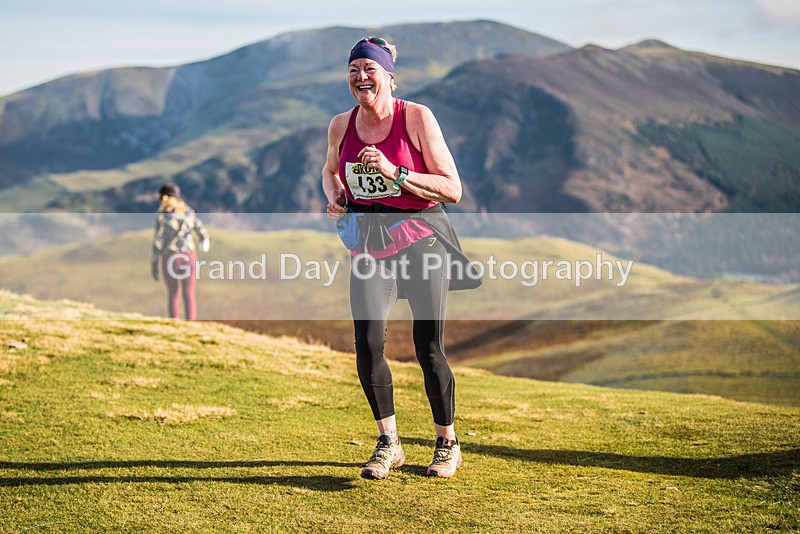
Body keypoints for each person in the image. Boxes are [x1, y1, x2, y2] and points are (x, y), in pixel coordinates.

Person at [322, 37, 480, 479]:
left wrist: (396, 173)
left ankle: (447, 442)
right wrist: (335, 197)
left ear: (389, 76)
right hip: (369, 245)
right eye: (353, 70)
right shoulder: (340, 124)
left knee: (428, 348)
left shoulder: (416, 118)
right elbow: (329, 170)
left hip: (421, 240)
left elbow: (452, 188)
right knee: (368, 345)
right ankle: (389, 442)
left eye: (369, 70)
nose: (360, 77)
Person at [150, 182, 210, 321]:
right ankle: (191, 322)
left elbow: (157, 241)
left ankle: (174, 321)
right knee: (189, 293)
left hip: (170, 256)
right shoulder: (188, 213)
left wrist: (154, 263)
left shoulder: (162, 215)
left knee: (173, 293)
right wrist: (204, 242)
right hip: (189, 256)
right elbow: (202, 232)